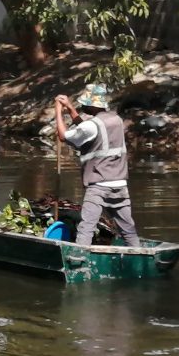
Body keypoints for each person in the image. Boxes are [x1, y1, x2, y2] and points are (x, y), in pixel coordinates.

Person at [55, 83, 141, 247]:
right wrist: (70, 107)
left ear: (92, 105)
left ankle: (79, 262)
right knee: (128, 230)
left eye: (84, 104)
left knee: (86, 229)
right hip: (120, 185)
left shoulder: (91, 125)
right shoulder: (116, 120)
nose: (82, 106)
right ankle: (140, 258)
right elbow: (85, 129)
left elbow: (63, 136)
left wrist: (58, 110)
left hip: (99, 187)